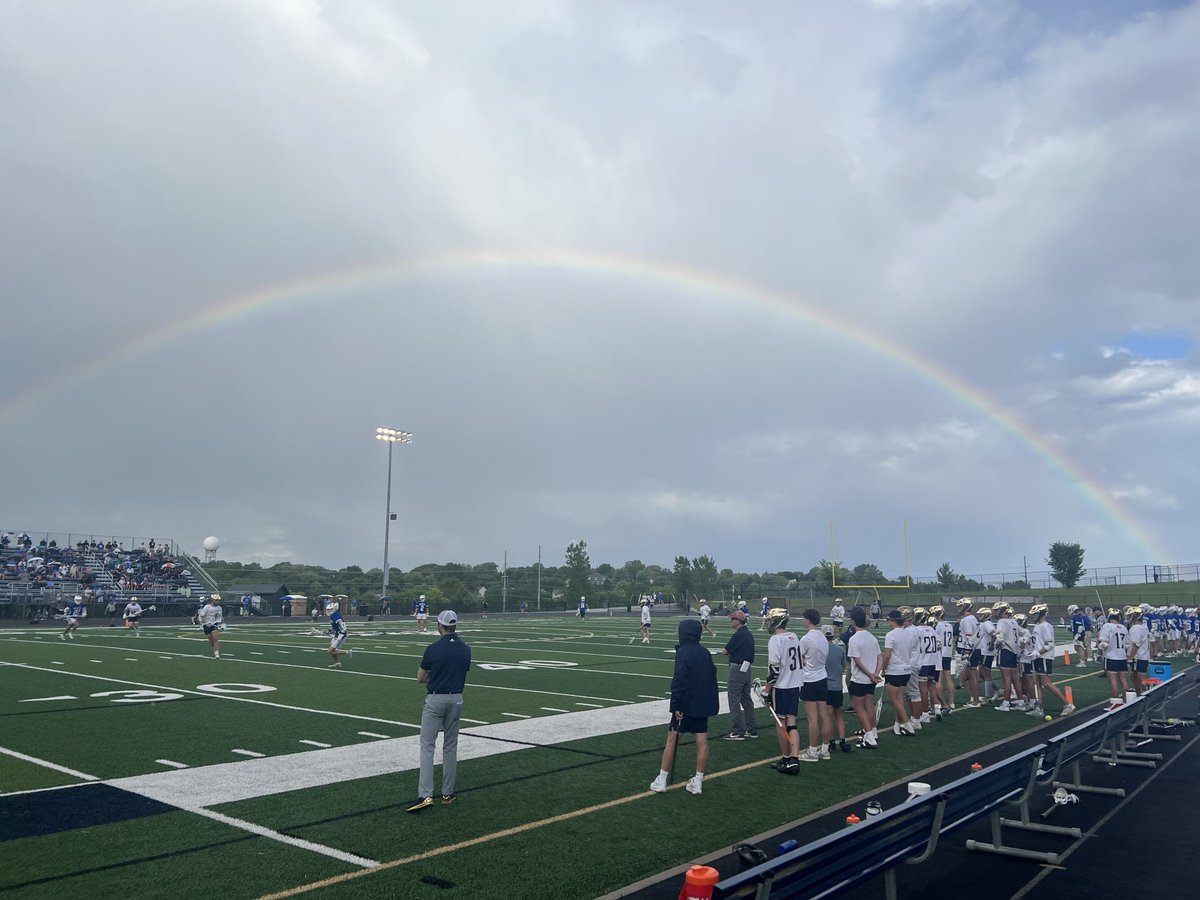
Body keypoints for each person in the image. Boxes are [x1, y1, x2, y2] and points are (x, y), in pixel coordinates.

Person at [409, 610, 472, 812]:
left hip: (436, 698)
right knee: (450, 746)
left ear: (440, 625)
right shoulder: (466, 649)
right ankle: (448, 793)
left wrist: (435, 678)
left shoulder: (433, 649)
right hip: (456, 698)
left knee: (427, 746)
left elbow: (420, 678)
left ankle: (425, 795)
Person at [650, 619, 719, 795]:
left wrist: (676, 706)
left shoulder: (684, 652)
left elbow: (679, 680)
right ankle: (698, 781)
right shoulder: (705, 652)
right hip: (701, 704)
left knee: (672, 739)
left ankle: (662, 779)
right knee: (702, 740)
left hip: (686, 704)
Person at [764, 607, 803, 774]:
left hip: (782, 686)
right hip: (795, 684)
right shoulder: (794, 636)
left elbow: (774, 670)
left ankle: (786, 758)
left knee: (780, 723)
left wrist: (766, 690)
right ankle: (794, 759)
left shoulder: (775, 640)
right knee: (791, 722)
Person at [847, 607, 882, 748]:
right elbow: (880, 656)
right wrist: (875, 673)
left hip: (860, 678)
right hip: (871, 678)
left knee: (859, 706)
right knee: (869, 704)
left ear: (854, 621)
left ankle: (869, 735)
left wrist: (870, 674)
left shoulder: (854, 639)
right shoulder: (871, 637)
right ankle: (873, 731)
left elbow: (857, 660)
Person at [1030, 603, 1073, 716]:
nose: (1033, 616)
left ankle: (1067, 704)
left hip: (1043, 657)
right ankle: (1038, 708)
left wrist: (1038, 653)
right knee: (1037, 683)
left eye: (1035, 614)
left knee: (1046, 683)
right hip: (1038, 657)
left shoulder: (1046, 626)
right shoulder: (1038, 626)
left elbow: (1049, 644)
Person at [721, 609, 757, 741]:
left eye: (732, 619)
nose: (731, 621)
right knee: (746, 698)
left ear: (738, 621)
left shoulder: (739, 635)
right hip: (746, 668)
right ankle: (751, 728)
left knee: (734, 699)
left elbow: (726, 650)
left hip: (737, 668)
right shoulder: (748, 634)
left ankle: (737, 730)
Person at [881, 609, 916, 736]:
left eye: (889, 620)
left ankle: (907, 725)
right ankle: (897, 726)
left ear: (893, 620)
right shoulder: (909, 633)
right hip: (906, 670)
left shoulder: (891, 635)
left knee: (894, 700)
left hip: (894, 670)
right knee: (899, 700)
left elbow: (887, 655)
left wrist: (883, 670)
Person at [823, 624, 851, 753]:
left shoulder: (821, 651)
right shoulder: (839, 650)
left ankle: (831, 742)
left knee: (827, 716)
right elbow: (845, 666)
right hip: (837, 687)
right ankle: (843, 741)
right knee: (839, 715)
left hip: (826, 686)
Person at [1099, 608, 1131, 706]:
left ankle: (1115, 702)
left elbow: (1104, 643)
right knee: (1123, 679)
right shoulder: (1123, 628)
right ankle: (1127, 700)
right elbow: (1127, 645)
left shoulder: (1107, 626)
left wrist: (1099, 652)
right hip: (1122, 656)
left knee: (1113, 681)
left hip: (1111, 656)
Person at [932, 604, 955, 712]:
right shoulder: (949, 625)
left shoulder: (938, 626)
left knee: (938, 680)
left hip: (940, 654)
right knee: (948, 678)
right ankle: (951, 701)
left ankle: (940, 703)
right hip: (948, 653)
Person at [1126, 606, 1151, 696]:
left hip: (1138, 657)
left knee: (1140, 677)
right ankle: (1139, 692)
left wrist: (1130, 657)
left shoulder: (1136, 628)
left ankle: (1144, 693)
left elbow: (1136, 645)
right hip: (1143, 655)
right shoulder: (1144, 626)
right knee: (1134, 676)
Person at [197, 593, 224, 659]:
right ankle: (214, 649)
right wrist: (201, 622)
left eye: (218, 600)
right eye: (216, 600)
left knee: (215, 638)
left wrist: (223, 624)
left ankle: (217, 653)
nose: (217, 601)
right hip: (206, 625)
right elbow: (201, 615)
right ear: (212, 600)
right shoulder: (207, 607)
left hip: (214, 624)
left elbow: (220, 617)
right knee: (210, 639)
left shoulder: (219, 608)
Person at [327, 600, 352, 668]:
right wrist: (329, 631)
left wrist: (339, 638)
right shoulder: (333, 615)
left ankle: (347, 652)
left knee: (330, 651)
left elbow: (343, 627)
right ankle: (337, 663)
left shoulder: (336, 616)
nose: (328, 611)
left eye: (330, 609)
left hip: (340, 635)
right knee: (332, 650)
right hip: (337, 634)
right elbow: (334, 626)